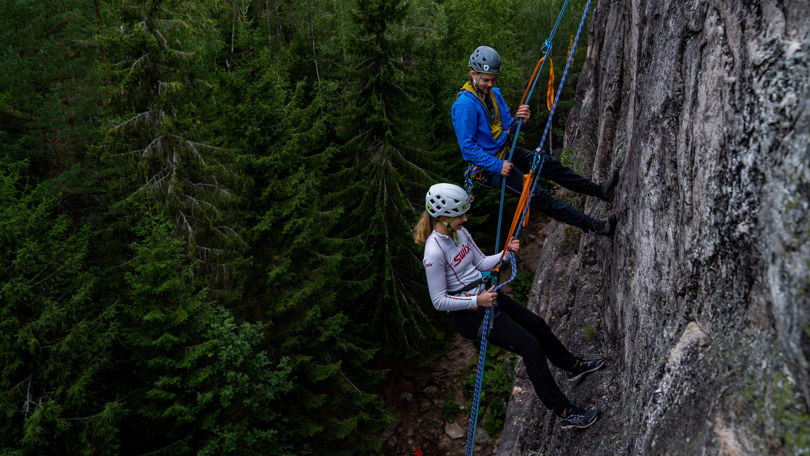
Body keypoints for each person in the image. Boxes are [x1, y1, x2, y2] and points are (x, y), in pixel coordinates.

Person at [414, 183, 605, 429]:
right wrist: (476, 300)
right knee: (531, 349)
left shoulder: (460, 233)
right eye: (459, 215)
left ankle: (573, 366)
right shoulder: (433, 252)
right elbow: (438, 301)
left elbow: (481, 262)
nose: (465, 218)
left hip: (487, 296)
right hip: (471, 315)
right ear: (442, 218)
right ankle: (565, 412)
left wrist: (504, 254)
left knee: (537, 325)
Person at [451, 45, 619, 235]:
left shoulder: (494, 95)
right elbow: (468, 148)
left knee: (549, 164)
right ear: (473, 74)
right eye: (486, 80)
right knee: (539, 196)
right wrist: (497, 166)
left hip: (505, 152)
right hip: (489, 168)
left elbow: (509, 127)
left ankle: (601, 191)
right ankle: (596, 226)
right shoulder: (464, 105)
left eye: (493, 79)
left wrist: (521, 120)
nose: (490, 84)